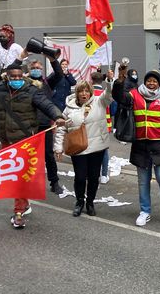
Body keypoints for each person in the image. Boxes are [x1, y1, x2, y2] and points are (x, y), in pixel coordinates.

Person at [0, 63, 65, 229]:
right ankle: (24, 204)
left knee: (18, 177)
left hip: (25, 142)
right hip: (6, 141)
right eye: (14, 77)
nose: (17, 79)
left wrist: (57, 116)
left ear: (24, 76)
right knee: (15, 178)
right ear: (7, 77)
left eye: (20, 76)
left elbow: (47, 105)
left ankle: (18, 212)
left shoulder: (32, 91)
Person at [114, 69, 160, 227]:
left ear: (159, 83)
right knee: (143, 181)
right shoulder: (134, 94)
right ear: (144, 81)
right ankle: (145, 211)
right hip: (141, 144)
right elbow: (119, 97)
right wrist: (119, 82)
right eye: (149, 80)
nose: (151, 83)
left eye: (155, 81)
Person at [54, 73, 113, 218]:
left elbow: (109, 94)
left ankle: (90, 202)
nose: (84, 94)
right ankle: (79, 201)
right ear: (77, 93)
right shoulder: (69, 108)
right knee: (80, 177)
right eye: (81, 91)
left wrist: (110, 81)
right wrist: (58, 147)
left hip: (96, 147)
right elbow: (61, 128)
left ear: (91, 92)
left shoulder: (99, 102)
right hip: (78, 147)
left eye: (87, 91)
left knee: (93, 177)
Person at [12, 50, 64, 195]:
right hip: (28, 126)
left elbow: (59, 74)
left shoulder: (47, 83)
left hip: (45, 125)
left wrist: (52, 59)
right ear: (28, 69)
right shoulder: (23, 83)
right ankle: (27, 183)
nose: (36, 70)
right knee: (28, 156)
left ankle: (54, 182)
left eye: (39, 68)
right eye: (34, 68)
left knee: (48, 155)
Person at [91, 71, 112, 184]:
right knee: (104, 151)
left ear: (92, 80)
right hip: (105, 125)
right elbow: (112, 109)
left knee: (92, 150)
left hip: (91, 126)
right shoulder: (106, 93)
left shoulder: (88, 93)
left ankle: (93, 173)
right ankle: (104, 175)